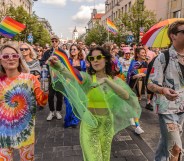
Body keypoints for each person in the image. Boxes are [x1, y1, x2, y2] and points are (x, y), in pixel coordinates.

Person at [47, 46, 141, 161]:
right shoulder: (88, 78)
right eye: (92, 58)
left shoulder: (114, 80)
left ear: (106, 59)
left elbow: (126, 96)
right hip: (90, 124)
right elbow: (73, 75)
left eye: (98, 57)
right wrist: (60, 66)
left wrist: (107, 81)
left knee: (104, 158)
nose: (95, 60)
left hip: (107, 125)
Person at [0, 44, 48, 161]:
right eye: (6, 56)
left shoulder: (30, 79)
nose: (10, 58)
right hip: (3, 134)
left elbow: (42, 102)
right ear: (1, 60)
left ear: (19, 58)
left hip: (25, 132)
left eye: (14, 55)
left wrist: (46, 89)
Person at [147, 20, 184, 161]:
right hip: (167, 109)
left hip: (182, 108)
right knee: (176, 148)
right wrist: (163, 90)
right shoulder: (163, 57)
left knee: (165, 144)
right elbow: (150, 84)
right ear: (173, 36)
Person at [41, 35, 66, 121]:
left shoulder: (62, 52)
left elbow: (66, 64)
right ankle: (51, 111)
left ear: (58, 42)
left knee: (59, 96)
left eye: (56, 41)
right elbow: (42, 62)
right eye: (52, 41)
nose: (54, 42)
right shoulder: (47, 52)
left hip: (59, 77)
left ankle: (58, 111)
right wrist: (47, 62)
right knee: (50, 96)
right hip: (50, 77)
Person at [64, 44, 86, 128]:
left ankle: (75, 121)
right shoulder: (68, 61)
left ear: (78, 51)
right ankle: (68, 121)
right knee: (69, 103)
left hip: (79, 85)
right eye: (71, 50)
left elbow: (84, 74)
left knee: (77, 102)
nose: (72, 51)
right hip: (69, 84)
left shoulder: (82, 62)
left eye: (74, 49)